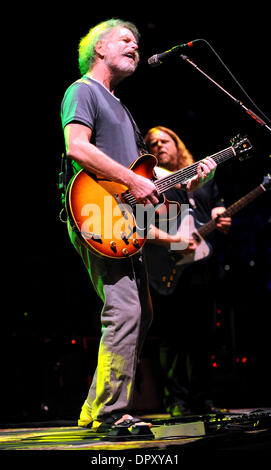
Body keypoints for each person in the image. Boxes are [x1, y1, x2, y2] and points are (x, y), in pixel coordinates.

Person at [60, 20, 217, 432]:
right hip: (96, 213)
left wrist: (185, 183)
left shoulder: (125, 112)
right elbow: (77, 148)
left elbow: (142, 182)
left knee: (141, 313)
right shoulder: (84, 91)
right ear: (99, 48)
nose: (135, 45)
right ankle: (112, 413)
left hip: (125, 223)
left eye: (137, 41)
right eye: (125, 39)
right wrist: (133, 180)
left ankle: (96, 408)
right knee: (125, 310)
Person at [144, 126, 232, 416]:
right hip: (169, 267)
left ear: (177, 144)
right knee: (174, 337)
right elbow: (142, 226)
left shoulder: (202, 179)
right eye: (152, 143)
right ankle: (177, 401)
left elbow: (216, 207)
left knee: (204, 336)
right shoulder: (149, 185)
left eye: (164, 140)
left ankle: (203, 399)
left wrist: (221, 216)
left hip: (202, 267)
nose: (159, 146)